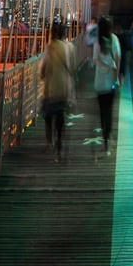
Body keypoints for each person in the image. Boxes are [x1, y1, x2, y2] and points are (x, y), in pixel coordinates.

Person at [39, 21, 74, 162]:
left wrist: (42, 76)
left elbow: (42, 70)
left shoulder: (49, 48)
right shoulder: (68, 47)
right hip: (63, 90)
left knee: (48, 117)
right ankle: (59, 148)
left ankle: (49, 142)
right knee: (60, 119)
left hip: (50, 90)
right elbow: (71, 68)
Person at [93, 17, 122, 155]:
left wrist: (104, 68)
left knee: (102, 112)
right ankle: (108, 138)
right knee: (109, 111)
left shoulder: (97, 41)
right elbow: (118, 58)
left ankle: (105, 139)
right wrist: (115, 76)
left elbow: (95, 60)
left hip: (100, 82)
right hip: (111, 81)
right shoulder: (115, 39)